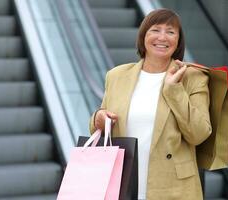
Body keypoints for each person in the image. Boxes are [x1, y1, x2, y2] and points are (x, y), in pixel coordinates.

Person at [89, 8, 212, 200]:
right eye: (155, 30)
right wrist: (98, 118)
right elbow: (103, 120)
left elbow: (199, 134)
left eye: (171, 32)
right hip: (121, 186)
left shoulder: (193, 78)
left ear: (178, 40)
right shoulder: (117, 76)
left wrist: (174, 91)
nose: (162, 37)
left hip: (174, 190)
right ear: (143, 36)